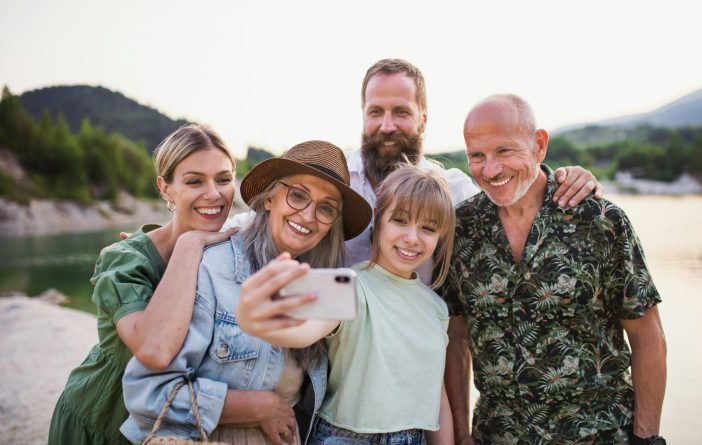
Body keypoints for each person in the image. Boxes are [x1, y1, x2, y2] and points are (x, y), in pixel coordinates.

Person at [227, 58, 602, 276]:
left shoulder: (452, 190)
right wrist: (192, 235)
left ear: (423, 119)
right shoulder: (335, 180)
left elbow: (511, 192)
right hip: (331, 351)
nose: (387, 126)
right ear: (363, 116)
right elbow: (266, 218)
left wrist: (565, 178)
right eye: (376, 112)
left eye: (401, 112)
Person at [441, 94, 667, 444]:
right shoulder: (461, 229)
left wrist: (647, 437)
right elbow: (455, 340)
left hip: (601, 434)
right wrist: (461, 433)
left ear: (539, 145)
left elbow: (647, 335)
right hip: (496, 436)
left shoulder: (600, 222)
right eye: (477, 155)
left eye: (504, 151)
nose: (490, 169)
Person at [120, 140, 373, 445]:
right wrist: (256, 406)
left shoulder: (326, 286)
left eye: (326, 208)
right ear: (270, 199)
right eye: (297, 196)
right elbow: (148, 394)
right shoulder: (213, 268)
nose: (307, 216)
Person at [238, 165, 458, 445]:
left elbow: (436, 396)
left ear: (441, 235)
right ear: (379, 220)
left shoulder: (435, 308)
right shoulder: (349, 285)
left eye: (428, 228)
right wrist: (254, 321)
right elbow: (304, 332)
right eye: (400, 221)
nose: (412, 238)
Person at [48, 124, 240, 445]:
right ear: (165, 188)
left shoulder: (227, 247)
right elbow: (155, 350)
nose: (213, 194)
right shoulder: (125, 260)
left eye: (223, 179)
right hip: (102, 421)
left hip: (174, 426)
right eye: (194, 181)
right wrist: (189, 245)